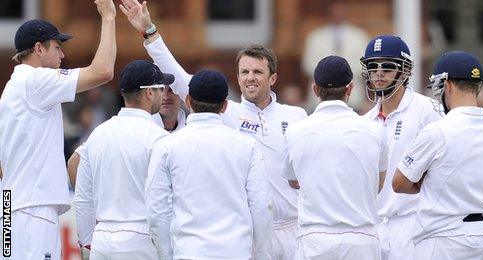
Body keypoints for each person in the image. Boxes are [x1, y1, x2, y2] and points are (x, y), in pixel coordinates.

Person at [119, 1, 307, 258]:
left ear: (272, 78)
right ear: (237, 77)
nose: (250, 77)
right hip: (252, 235)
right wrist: (149, 31)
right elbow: (180, 76)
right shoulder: (227, 112)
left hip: (293, 229)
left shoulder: (297, 116)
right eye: (244, 72)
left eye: (257, 72)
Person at [0, 1, 117, 258]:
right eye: (57, 47)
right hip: (33, 209)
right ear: (39, 49)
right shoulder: (34, 80)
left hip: (13, 207)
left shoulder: (13, 87)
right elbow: (103, 71)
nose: (62, 56)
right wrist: (108, 17)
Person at [392, 51, 483, 259]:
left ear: (448, 86)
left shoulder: (437, 132)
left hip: (442, 238)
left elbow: (399, 183)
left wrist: (425, 182)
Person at [146, 69, 273, 259]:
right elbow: (262, 207)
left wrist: (166, 255)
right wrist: (263, 255)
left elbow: (157, 210)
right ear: (224, 106)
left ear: (188, 101)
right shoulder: (247, 146)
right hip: (235, 252)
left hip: (189, 252)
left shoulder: (167, 146)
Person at [283, 55, 387, 259]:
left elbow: (293, 181)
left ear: (315, 90)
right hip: (361, 239)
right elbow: (379, 183)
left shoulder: (295, 131)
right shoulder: (374, 130)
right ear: (350, 88)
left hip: (315, 241)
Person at [72, 60, 172, 259]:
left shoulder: (98, 134)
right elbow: (162, 204)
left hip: (102, 239)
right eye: (161, 89)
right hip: (142, 240)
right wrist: (165, 251)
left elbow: (83, 198)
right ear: (149, 93)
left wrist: (88, 243)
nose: (164, 95)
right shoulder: (158, 138)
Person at [360, 35, 442, 259]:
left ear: (405, 71)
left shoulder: (428, 110)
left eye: (387, 66)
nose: (378, 73)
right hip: (374, 226)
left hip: (412, 223)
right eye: (372, 66)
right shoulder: (364, 121)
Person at [301, 1, 369, 113]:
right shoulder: (315, 37)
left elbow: (365, 66)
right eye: (335, 10)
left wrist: (338, 71)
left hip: (353, 97)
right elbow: (308, 65)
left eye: (341, 10)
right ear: (329, 12)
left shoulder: (359, 36)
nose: (338, 13)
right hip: (320, 98)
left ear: (346, 12)